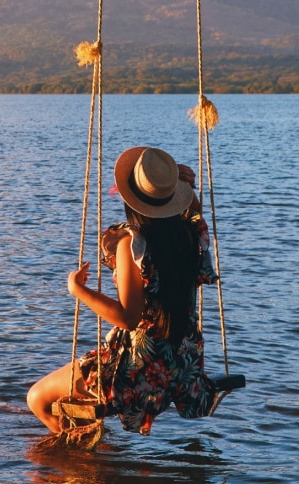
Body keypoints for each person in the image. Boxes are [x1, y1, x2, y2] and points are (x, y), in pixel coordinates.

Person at [28, 145, 220, 436]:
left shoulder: (132, 247)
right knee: (69, 396)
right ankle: (92, 455)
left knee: (37, 399)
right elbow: (193, 211)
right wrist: (184, 188)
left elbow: (128, 319)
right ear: (173, 198)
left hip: (137, 373)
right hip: (183, 369)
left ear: (131, 201)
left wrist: (77, 289)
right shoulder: (189, 235)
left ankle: (84, 461)